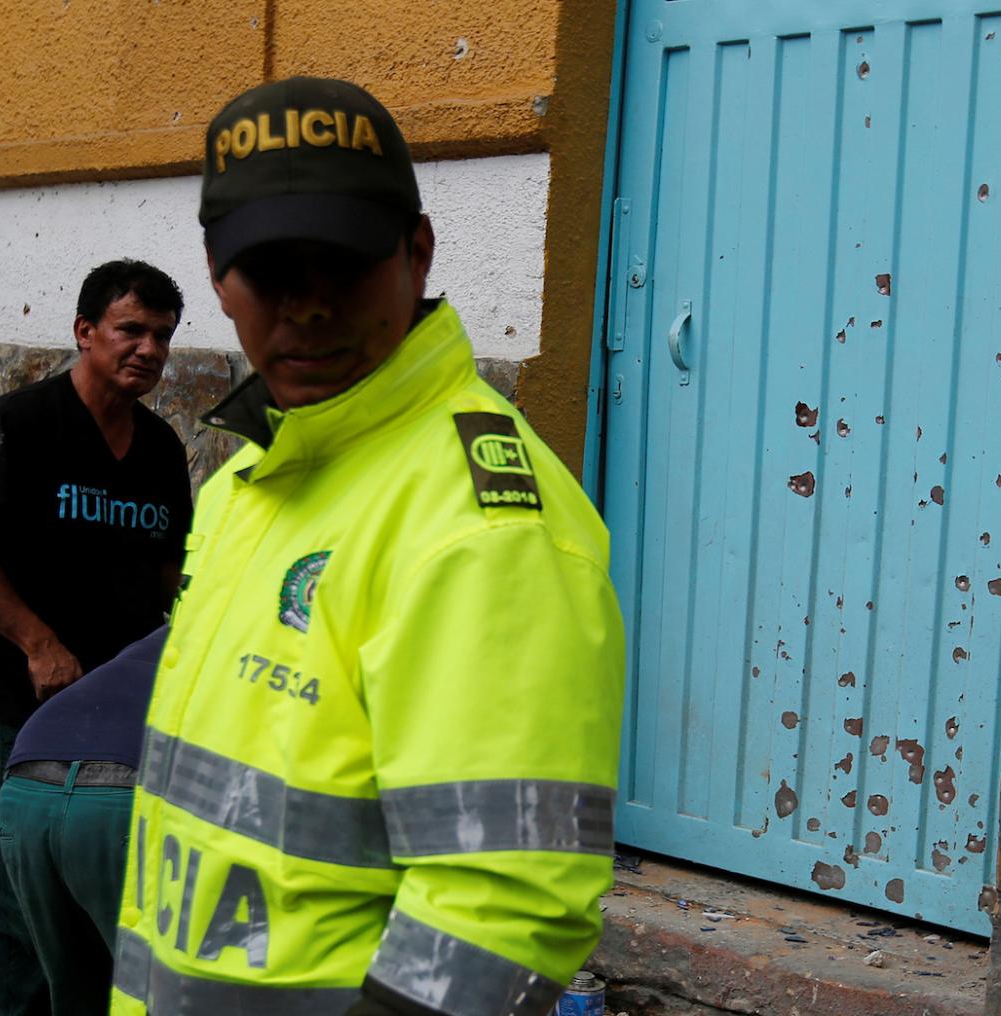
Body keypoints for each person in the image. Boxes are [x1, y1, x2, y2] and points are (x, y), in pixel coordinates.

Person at [110, 76, 625, 1016]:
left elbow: (502, 908)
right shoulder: (249, 481)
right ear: (218, 277)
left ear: (417, 253)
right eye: (271, 274)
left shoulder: (483, 527)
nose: (306, 310)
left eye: (340, 265)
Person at [0, 259, 194, 1016]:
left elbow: (174, 568)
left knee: (119, 894)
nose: (148, 349)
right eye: (130, 330)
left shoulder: (160, 449)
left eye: (163, 337)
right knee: (26, 898)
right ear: (85, 332)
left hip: (123, 717)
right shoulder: (16, 426)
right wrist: (39, 644)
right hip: (31, 708)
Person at [0, 628, 167, 1016]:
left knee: (75, 991)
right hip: (117, 794)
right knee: (150, 992)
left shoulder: (146, 643)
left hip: (26, 788)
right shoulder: (248, 648)